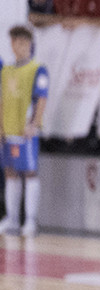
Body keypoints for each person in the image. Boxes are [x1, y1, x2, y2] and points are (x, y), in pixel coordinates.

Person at [0, 26, 48, 238]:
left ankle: (30, 221)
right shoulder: (6, 70)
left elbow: (42, 98)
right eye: (12, 42)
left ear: (27, 44)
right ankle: (11, 219)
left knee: (29, 173)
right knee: (10, 172)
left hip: (26, 130)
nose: (15, 47)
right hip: (8, 129)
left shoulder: (38, 69)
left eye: (19, 42)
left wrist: (34, 123)